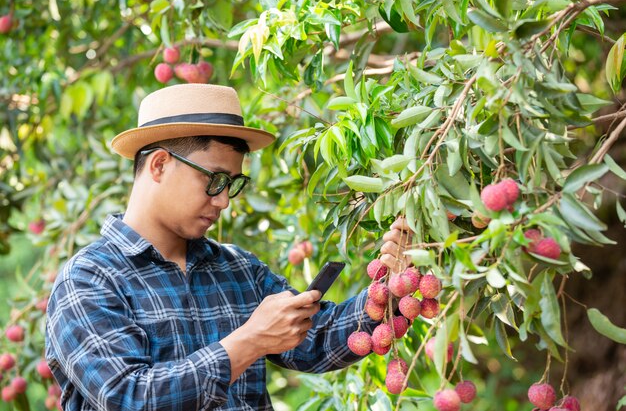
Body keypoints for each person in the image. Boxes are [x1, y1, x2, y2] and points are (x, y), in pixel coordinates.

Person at [45, 83, 413, 410]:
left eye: (232, 184)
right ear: (159, 165)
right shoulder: (88, 280)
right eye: (215, 180)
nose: (223, 202)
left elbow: (316, 340)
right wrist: (248, 342)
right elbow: (128, 397)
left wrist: (391, 287)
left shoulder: (239, 269)